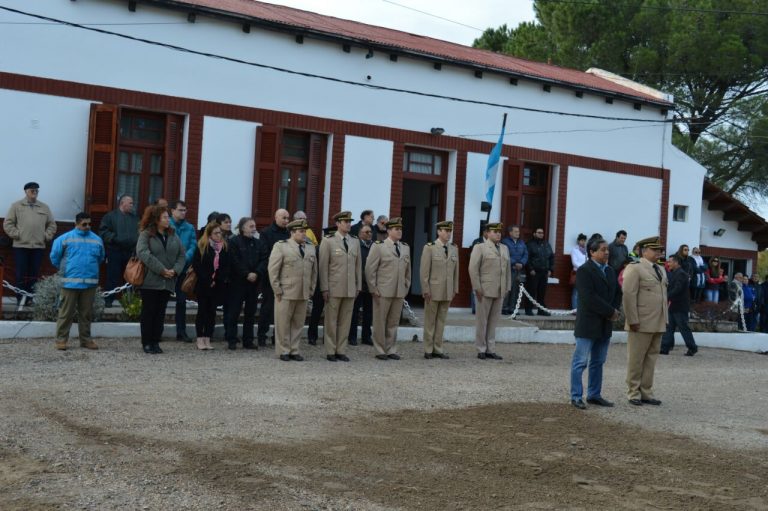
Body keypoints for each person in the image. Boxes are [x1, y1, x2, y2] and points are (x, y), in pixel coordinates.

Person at [569, 236, 621, 409]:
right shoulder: (584, 271)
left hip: (605, 324)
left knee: (598, 362)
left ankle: (594, 394)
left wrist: (614, 310)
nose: (607, 252)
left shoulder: (610, 271)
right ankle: (576, 396)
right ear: (592, 252)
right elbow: (588, 297)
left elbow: (617, 293)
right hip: (588, 323)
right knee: (580, 362)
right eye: (603, 250)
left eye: (607, 249)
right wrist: (610, 311)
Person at [622, 236, 668, 406]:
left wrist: (665, 319)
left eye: (660, 250)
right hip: (640, 322)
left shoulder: (661, 270)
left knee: (651, 359)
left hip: (658, 321)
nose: (659, 253)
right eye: (655, 250)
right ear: (644, 251)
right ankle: (633, 392)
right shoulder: (635, 268)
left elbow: (663, 296)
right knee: (636, 359)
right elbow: (628, 295)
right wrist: (632, 319)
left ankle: (646, 392)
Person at [49, 212, 105, 351]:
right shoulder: (64, 238)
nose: (87, 227)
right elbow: (54, 256)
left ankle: (85, 340)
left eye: (89, 224)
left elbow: (101, 258)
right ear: (76, 223)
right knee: (65, 313)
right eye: (84, 224)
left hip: (89, 284)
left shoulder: (97, 240)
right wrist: (64, 269)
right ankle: (61, 340)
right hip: (69, 283)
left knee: (86, 314)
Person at [136, 205, 186, 354]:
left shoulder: (173, 234)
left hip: (168, 281)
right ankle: (147, 342)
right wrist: (162, 270)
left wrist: (175, 271)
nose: (168, 219)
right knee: (148, 312)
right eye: (164, 217)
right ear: (156, 219)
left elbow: (181, 255)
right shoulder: (146, 234)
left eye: (167, 217)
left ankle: (156, 341)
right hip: (150, 281)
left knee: (160, 313)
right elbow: (143, 253)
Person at [268, 219, 317, 361]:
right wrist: (277, 289)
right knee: (283, 323)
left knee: (298, 323)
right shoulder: (281, 246)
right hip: (286, 291)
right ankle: (283, 350)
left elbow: (314, 271)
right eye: (301, 231)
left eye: (304, 231)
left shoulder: (310, 247)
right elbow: (273, 270)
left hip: (303, 292)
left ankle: (294, 349)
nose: (304, 234)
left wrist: (311, 289)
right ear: (292, 233)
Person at [3, 182, 57, 305]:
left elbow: (52, 225)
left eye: (36, 191)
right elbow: (8, 223)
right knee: (21, 273)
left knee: (34, 274)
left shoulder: (44, 207)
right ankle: (20, 299)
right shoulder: (16, 206)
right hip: (21, 246)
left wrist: (46, 236)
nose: (35, 193)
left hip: (38, 246)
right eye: (32, 190)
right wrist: (17, 234)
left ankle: (30, 299)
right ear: (26, 191)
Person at [319, 211, 362, 362]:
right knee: (331, 320)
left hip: (350, 288)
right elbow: (323, 266)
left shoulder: (355, 241)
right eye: (345, 221)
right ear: (337, 224)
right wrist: (324, 288)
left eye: (350, 221)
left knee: (345, 321)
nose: (349, 224)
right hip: (333, 287)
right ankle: (330, 350)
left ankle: (341, 350)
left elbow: (358, 266)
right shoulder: (328, 241)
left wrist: (358, 286)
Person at [365, 217, 411, 360]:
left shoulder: (405, 247)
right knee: (380, 321)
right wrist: (373, 288)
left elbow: (407, 270)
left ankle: (391, 348)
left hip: (398, 291)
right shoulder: (379, 246)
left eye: (400, 229)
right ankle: (380, 350)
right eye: (396, 229)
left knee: (393, 322)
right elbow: (369, 269)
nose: (399, 231)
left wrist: (405, 286)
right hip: (382, 291)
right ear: (389, 230)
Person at [469, 222, 511, 360]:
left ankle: (490, 349)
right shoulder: (480, 247)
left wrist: (507, 287)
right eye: (494, 231)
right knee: (482, 321)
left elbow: (507, 270)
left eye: (499, 231)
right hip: (485, 289)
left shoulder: (504, 248)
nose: (498, 234)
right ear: (487, 233)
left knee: (493, 321)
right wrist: (477, 287)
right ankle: (481, 348)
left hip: (499, 289)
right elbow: (473, 269)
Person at [420, 220, 459, 359]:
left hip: (447, 290)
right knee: (430, 321)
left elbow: (456, 271)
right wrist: (425, 289)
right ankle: (428, 349)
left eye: (450, 231)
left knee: (441, 320)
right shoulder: (430, 247)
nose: (448, 234)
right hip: (433, 290)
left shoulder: (454, 248)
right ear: (439, 232)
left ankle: (438, 348)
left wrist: (455, 288)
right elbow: (424, 271)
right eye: (446, 231)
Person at [226, 217, 266, 350]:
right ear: (243, 228)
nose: (254, 229)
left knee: (250, 313)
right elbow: (234, 260)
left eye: (254, 226)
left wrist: (257, 273)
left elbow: (264, 259)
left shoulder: (259, 243)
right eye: (251, 226)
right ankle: (232, 339)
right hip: (238, 283)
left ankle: (248, 340)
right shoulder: (234, 242)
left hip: (253, 283)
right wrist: (246, 274)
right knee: (234, 312)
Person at [192, 222, 232, 350]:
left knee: (211, 313)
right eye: (216, 233)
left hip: (217, 285)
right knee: (202, 312)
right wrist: (208, 279)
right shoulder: (202, 246)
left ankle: (208, 338)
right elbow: (197, 265)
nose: (219, 235)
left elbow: (226, 266)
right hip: (203, 284)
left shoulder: (225, 247)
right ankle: (199, 339)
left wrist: (217, 279)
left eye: (220, 233)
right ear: (209, 234)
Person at [98, 195, 139, 307]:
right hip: (114, 251)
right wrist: (115, 238)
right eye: (130, 203)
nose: (132, 205)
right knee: (112, 276)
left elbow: (140, 233)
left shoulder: (135, 218)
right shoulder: (110, 217)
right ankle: (108, 300)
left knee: (129, 278)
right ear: (122, 203)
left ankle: (129, 302)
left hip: (130, 252)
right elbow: (103, 232)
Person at [258, 209, 291, 346]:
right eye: (284, 218)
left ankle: (278, 337)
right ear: (276, 217)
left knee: (284, 309)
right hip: (271, 275)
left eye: (288, 218)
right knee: (268, 307)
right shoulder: (266, 233)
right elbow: (265, 253)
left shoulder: (290, 233)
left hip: (288, 276)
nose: (286, 221)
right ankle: (262, 335)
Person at [169, 200, 197, 342]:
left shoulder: (189, 227)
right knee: (161, 301)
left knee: (181, 301)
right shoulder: (166, 224)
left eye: (185, 210)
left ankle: (181, 331)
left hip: (183, 268)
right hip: (167, 268)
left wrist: (185, 258)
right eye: (180, 210)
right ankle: (157, 330)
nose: (183, 213)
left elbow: (193, 245)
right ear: (172, 211)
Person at [660, 254, 698, 356]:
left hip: (680, 306)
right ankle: (665, 347)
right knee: (669, 327)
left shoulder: (681, 274)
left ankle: (692, 347)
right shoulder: (674, 273)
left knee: (683, 328)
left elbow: (677, 288)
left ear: (676, 262)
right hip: (673, 305)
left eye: (670, 261)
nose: (668, 263)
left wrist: (666, 296)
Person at [308, 225, 335, 345]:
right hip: (319, 284)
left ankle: (327, 337)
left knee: (332, 314)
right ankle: (312, 336)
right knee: (317, 311)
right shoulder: (318, 249)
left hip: (333, 284)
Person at [348, 223, 374, 346]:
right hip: (358, 284)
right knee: (354, 312)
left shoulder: (375, 246)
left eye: (370, 232)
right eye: (366, 232)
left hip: (370, 285)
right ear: (359, 234)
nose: (369, 234)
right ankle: (352, 336)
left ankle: (366, 337)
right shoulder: (355, 246)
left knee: (369, 313)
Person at [525, 227, 554, 316]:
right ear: (534, 234)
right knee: (531, 291)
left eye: (542, 233)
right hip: (534, 272)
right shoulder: (529, 244)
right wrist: (530, 269)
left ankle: (541, 310)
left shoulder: (546, 244)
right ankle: (528, 309)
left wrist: (550, 269)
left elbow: (551, 257)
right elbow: (527, 258)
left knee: (542, 292)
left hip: (544, 272)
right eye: (539, 232)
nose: (541, 234)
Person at [501, 225, 528, 315]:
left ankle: (512, 308)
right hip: (509, 269)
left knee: (516, 290)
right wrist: (514, 263)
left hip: (519, 270)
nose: (518, 233)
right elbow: (504, 255)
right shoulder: (505, 242)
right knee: (507, 289)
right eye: (516, 231)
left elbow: (525, 254)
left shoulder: (522, 242)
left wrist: (521, 263)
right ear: (510, 233)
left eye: (518, 231)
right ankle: (504, 307)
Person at [569, 233, 588, 311]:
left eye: (584, 241)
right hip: (578, 272)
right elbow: (574, 262)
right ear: (578, 241)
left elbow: (588, 261)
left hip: (585, 273)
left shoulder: (586, 251)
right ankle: (574, 308)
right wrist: (583, 267)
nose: (583, 242)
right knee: (576, 291)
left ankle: (580, 309)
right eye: (582, 240)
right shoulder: (574, 250)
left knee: (583, 291)